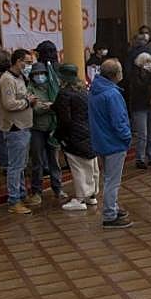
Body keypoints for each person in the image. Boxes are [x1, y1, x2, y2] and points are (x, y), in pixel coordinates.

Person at [89, 58, 131, 228]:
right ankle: (109, 214)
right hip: (114, 142)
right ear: (115, 74)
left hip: (101, 140)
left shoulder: (95, 90)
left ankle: (112, 206)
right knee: (112, 180)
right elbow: (119, 121)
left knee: (108, 178)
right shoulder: (112, 94)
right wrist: (127, 137)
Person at [0, 48, 37, 215]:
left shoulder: (20, 78)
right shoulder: (7, 80)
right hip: (15, 127)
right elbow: (9, 103)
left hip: (24, 126)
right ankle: (14, 200)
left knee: (21, 165)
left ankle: (21, 194)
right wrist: (27, 102)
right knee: (15, 166)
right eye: (27, 63)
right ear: (18, 61)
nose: (29, 66)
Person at [53, 64, 98, 210]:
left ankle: (80, 199)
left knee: (78, 167)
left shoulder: (64, 94)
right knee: (91, 165)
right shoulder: (83, 91)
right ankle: (91, 195)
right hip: (88, 133)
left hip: (73, 136)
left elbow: (64, 119)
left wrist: (59, 136)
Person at [26, 61, 65, 205]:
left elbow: (58, 104)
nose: (39, 76)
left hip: (52, 128)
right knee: (37, 161)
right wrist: (50, 106)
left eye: (42, 73)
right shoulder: (30, 89)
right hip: (37, 129)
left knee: (54, 160)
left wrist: (49, 105)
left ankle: (58, 188)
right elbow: (36, 109)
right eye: (36, 74)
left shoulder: (53, 86)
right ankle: (36, 191)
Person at [128, 53, 151, 167]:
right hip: (139, 106)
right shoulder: (135, 73)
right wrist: (148, 76)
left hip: (150, 106)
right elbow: (139, 86)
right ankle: (140, 158)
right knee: (142, 134)